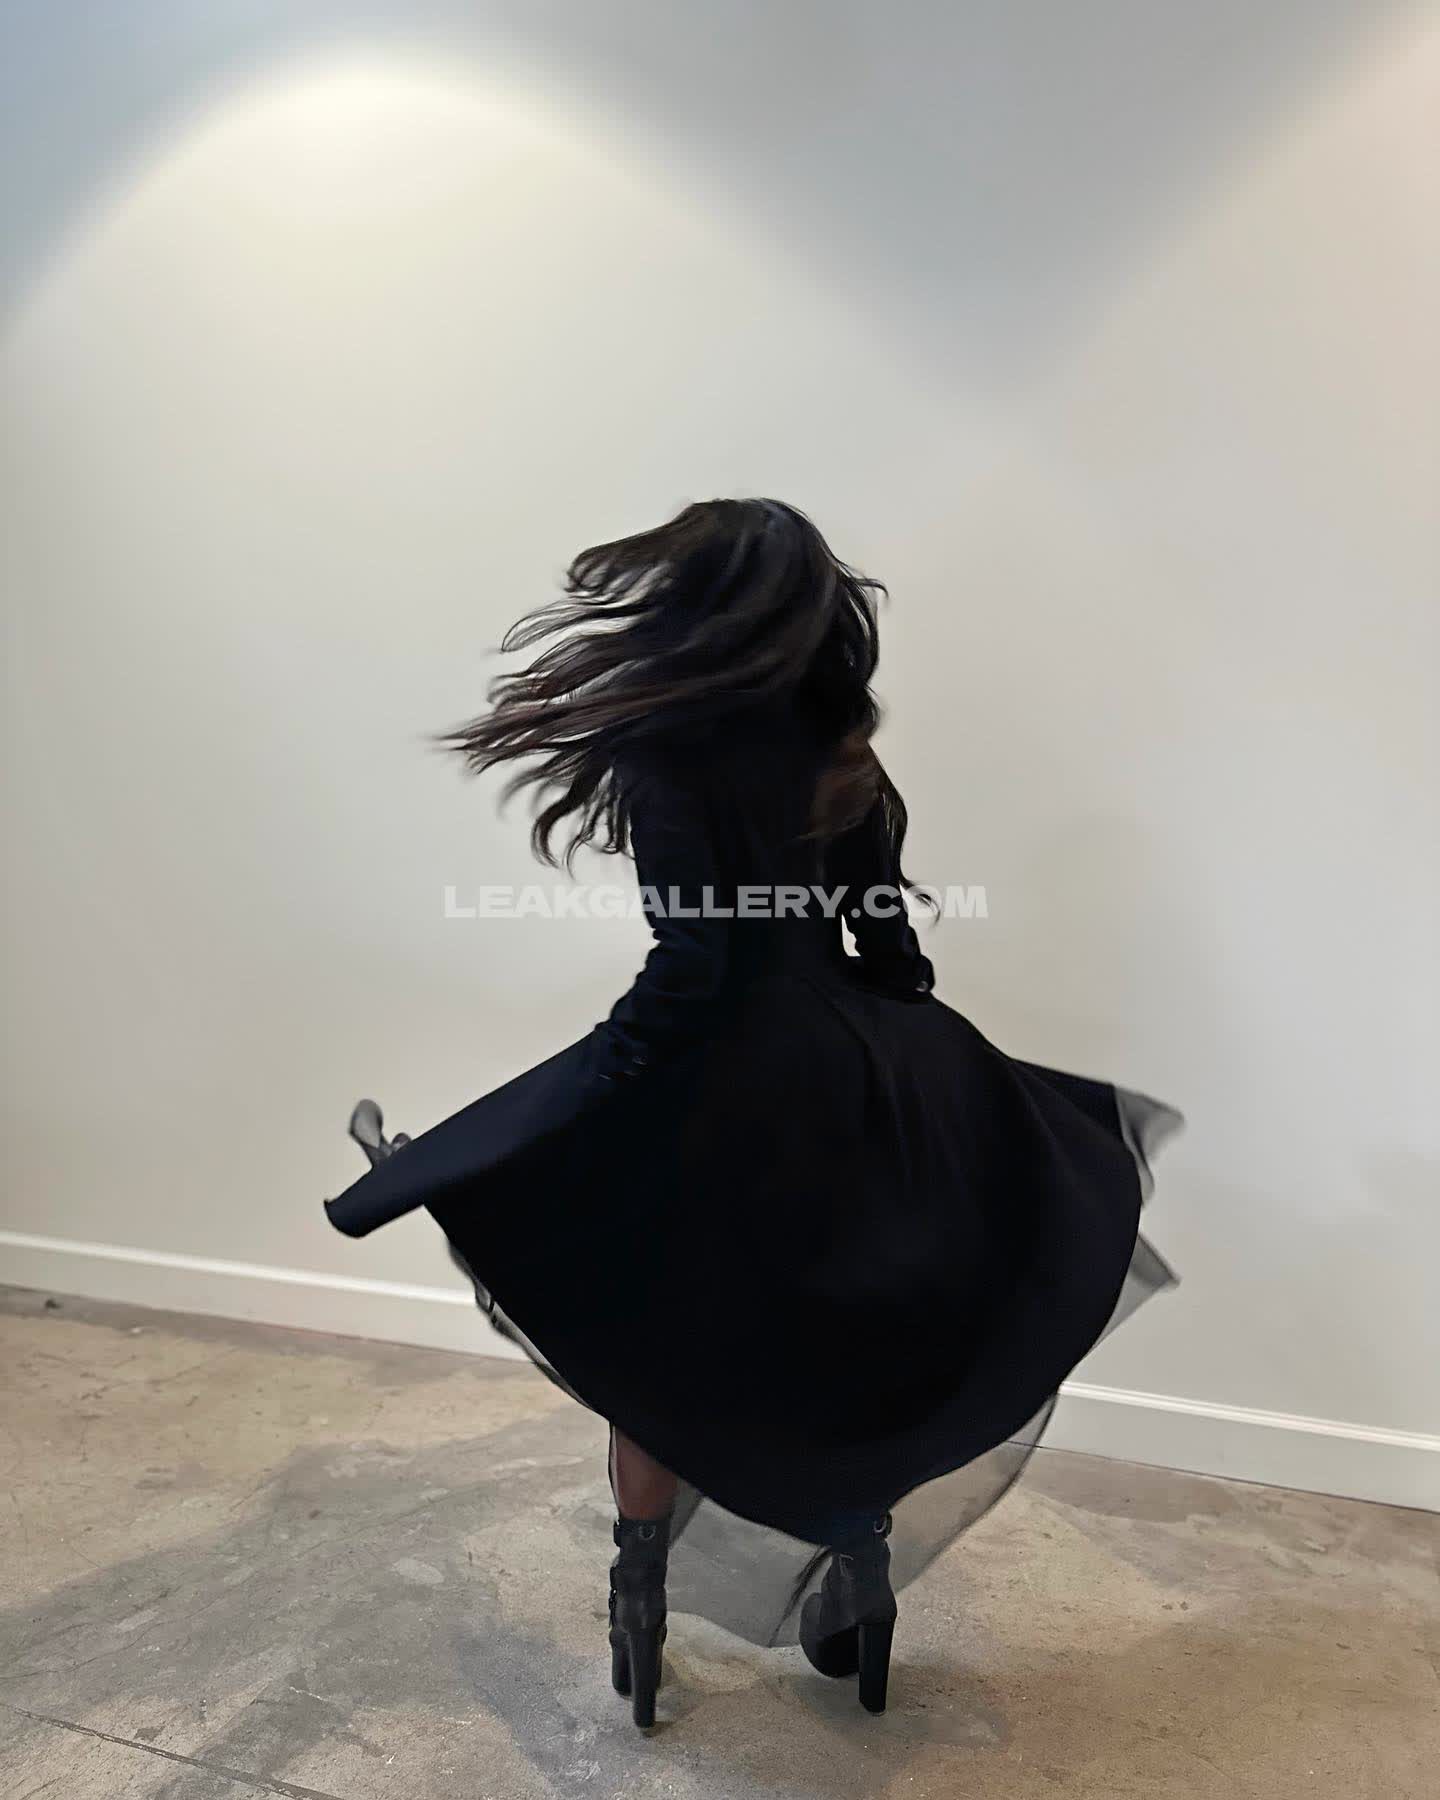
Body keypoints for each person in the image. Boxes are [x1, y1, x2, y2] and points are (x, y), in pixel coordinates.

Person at [325, 498, 1180, 1727]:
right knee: (860, 1342)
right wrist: (898, 1049)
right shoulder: (846, 753)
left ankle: (637, 1598)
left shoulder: (667, 754)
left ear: (692, 604)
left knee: (656, 1352)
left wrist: (593, 1093)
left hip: (724, 1082)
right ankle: (862, 1586)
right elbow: (887, 944)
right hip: (865, 1066)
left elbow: (695, 970)